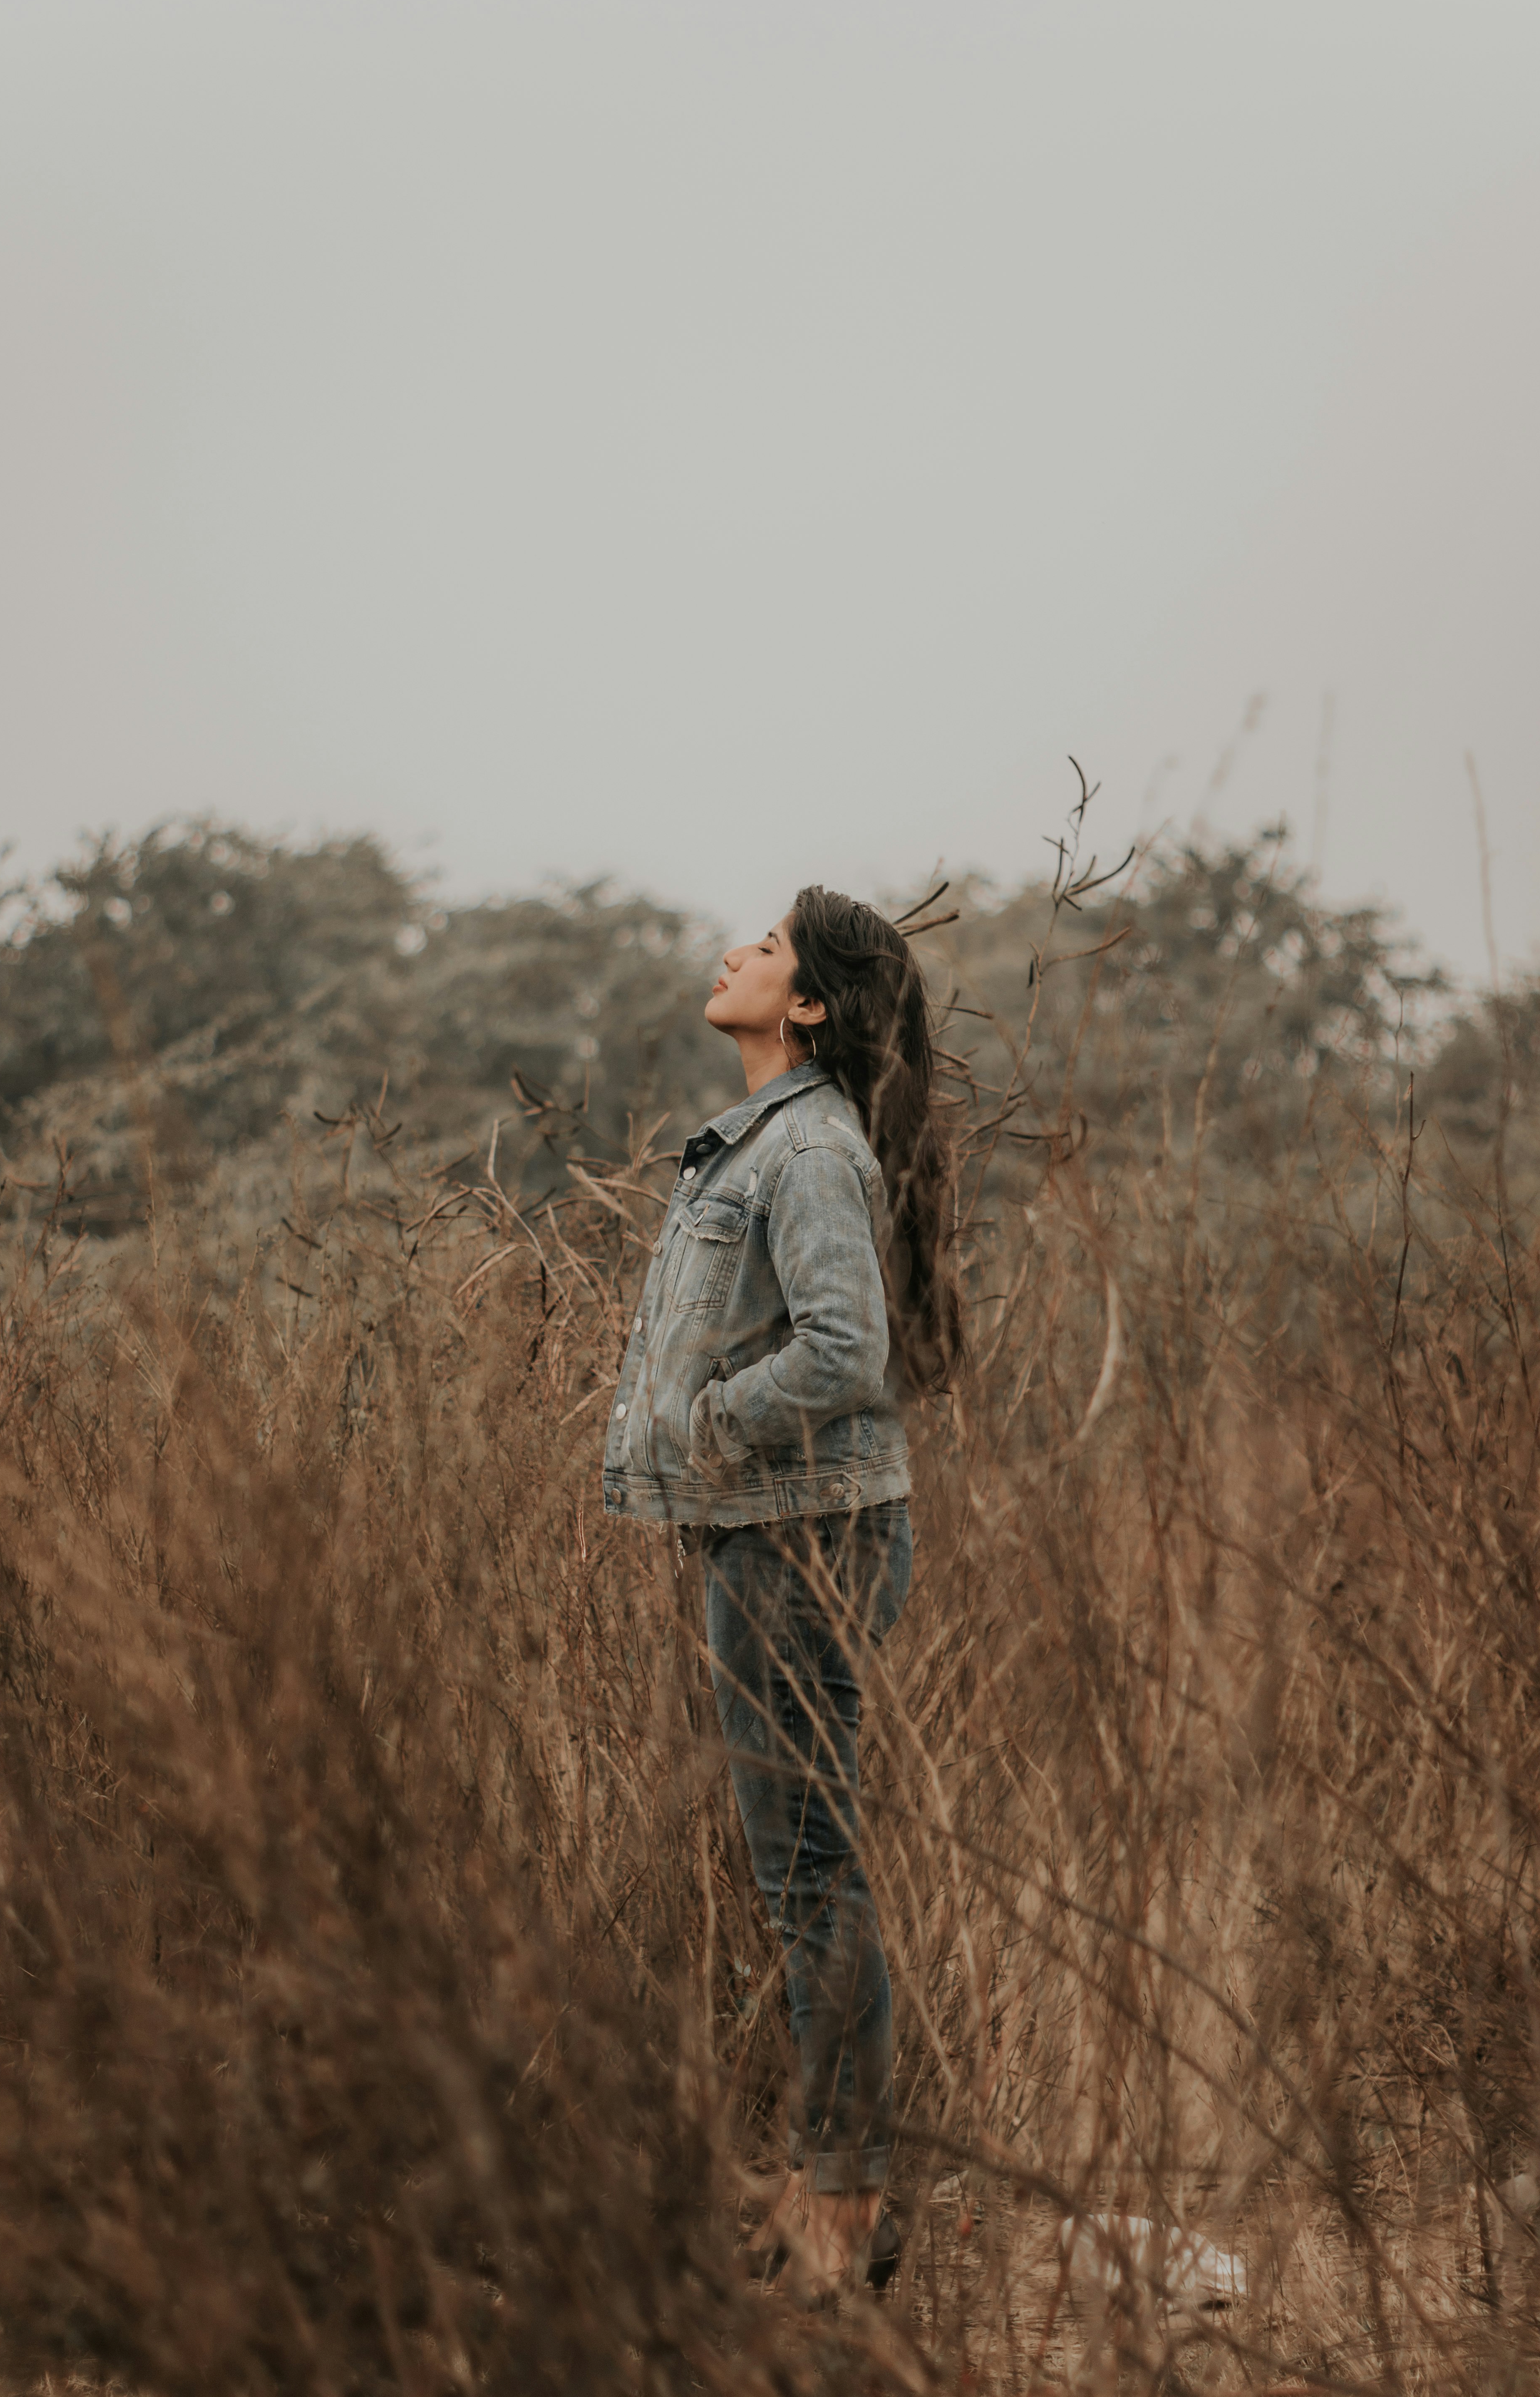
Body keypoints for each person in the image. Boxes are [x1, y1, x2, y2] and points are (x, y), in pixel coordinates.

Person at [602, 885, 964, 2296]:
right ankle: (836, 2189)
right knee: (806, 1873)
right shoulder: (769, 1141)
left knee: (814, 1879)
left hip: (804, 1537)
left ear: (805, 1005)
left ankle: (843, 2206)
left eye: (765, 948)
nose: (735, 950)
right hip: (777, 1531)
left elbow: (842, 1356)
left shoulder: (805, 1149)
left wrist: (704, 1423)